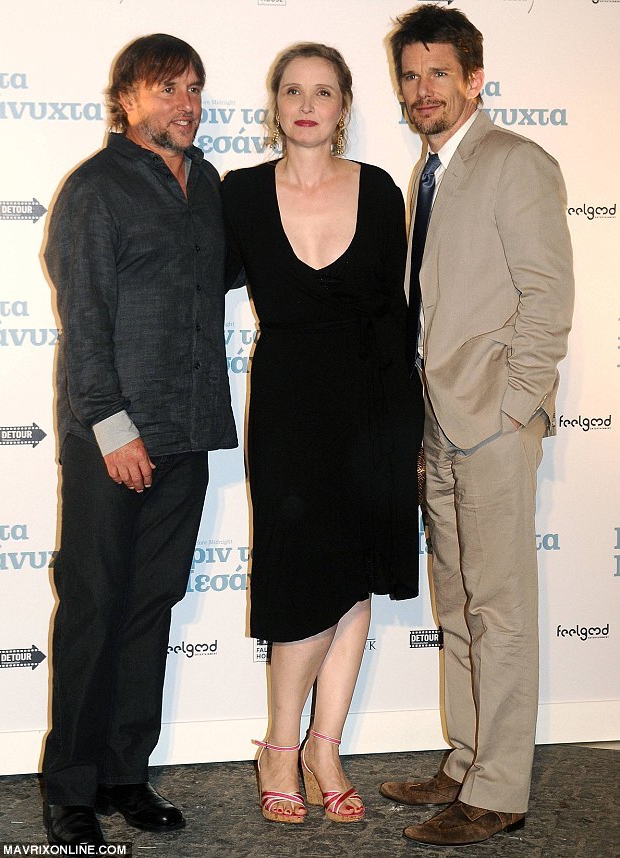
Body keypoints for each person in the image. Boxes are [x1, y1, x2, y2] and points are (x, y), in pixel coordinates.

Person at [379, 5, 574, 847]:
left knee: (500, 610)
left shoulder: (515, 162)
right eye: (410, 75)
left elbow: (548, 299)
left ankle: (499, 790)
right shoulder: (427, 173)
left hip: (491, 422)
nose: (422, 89)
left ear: (474, 79)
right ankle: (465, 762)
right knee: (457, 605)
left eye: (438, 73)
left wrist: (511, 408)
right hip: (438, 423)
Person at [42, 34, 237, 846]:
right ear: (126, 100)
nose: (185, 104)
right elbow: (84, 319)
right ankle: (70, 790)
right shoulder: (95, 188)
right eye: (167, 89)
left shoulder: (210, 185)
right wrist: (113, 428)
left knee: (150, 607)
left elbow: (223, 276)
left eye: (193, 88)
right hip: (113, 439)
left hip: (187, 430)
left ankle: (125, 775)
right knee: (95, 606)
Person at [222, 42, 424, 825]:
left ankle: (324, 748)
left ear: (344, 107)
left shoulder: (378, 188)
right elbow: (194, 282)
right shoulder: (240, 193)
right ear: (275, 103)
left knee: (356, 578)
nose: (307, 105)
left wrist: (407, 428)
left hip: (372, 403)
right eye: (293, 91)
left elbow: (398, 317)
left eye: (324, 92)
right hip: (289, 405)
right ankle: (280, 746)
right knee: (303, 577)